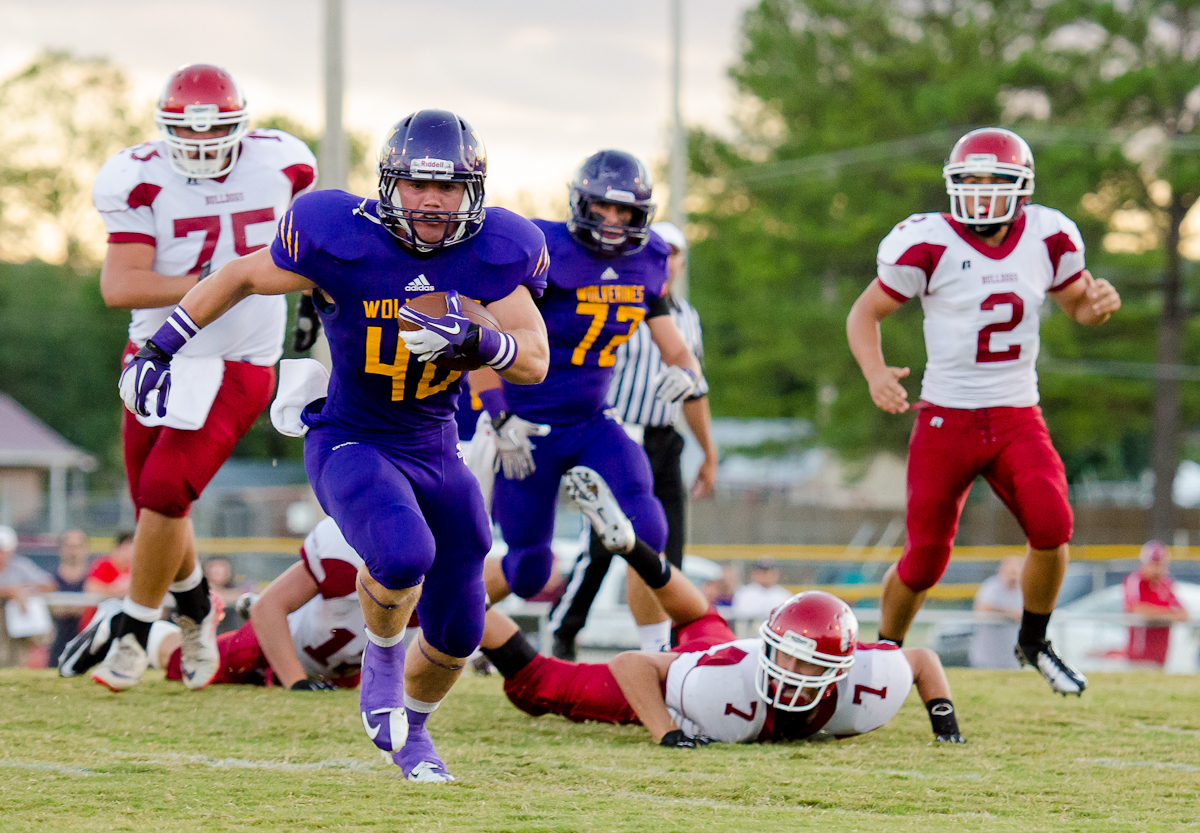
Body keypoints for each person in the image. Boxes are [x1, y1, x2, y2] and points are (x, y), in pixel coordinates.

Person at [117, 109, 550, 782]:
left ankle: (416, 737)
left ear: (475, 191)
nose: (431, 200)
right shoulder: (334, 235)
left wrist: (482, 342)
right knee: (404, 552)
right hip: (352, 434)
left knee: (463, 624)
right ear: (387, 185)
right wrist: (161, 345)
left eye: (448, 187)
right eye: (415, 184)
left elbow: (534, 359)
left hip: (435, 444)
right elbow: (237, 276)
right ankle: (380, 663)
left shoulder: (499, 248)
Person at [846, 127, 1122, 696]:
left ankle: (1034, 640)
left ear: (1020, 189)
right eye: (967, 180)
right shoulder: (927, 242)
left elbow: (1079, 307)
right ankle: (883, 656)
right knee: (923, 560)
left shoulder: (1048, 236)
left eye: (992, 180)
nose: (978, 192)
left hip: (1018, 411)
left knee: (1053, 526)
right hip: (947, 417)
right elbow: (864, 314)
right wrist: (875, 373)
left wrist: (1097, 308)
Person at [86, 64, 318, 694]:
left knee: (164, 493)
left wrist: (313, 304)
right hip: (158, 354)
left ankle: (134, 628)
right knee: (154, 504)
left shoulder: (283, 164)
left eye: (217, 131)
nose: (202, 145)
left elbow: (309, 253)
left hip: (242, 358)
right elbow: (120, 284)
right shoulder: (138, 176)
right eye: (187, 134)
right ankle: (195, 611)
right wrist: (223, 284)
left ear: (241, 125)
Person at [476, 150, 704, 658]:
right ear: (580, 203)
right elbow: (474, 335)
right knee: (528, 569)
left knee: (648, 531)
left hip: (590, 420)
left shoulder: (650, 259)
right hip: (524, 426)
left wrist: (687, 373)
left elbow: (676, 346)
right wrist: (497, 415)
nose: (612, 221)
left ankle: (655, 657)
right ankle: (415, 621)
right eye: (602, 208)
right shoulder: (540, 248)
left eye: (624, 211)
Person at [480, 565, 966, 746]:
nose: (791, 673)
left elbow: (920, 659)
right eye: (786, 657)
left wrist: (945, 723)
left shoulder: (871, 681)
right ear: (770, 643)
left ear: (843, 665)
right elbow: (631, 666)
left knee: (698, 620)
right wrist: (667, 730)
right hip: (701, 680)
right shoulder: (718, 687)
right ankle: (463, 603)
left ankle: (638, 549)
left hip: (719, 651)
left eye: (808, 663)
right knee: (538, 685)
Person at [549, 219, 719, 660]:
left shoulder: (686, 317)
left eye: (677, 254)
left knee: (668, 546)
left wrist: (708, 451)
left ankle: (669, 647)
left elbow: (695, 388)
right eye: (665, 252)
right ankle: (564, 631)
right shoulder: (618, 303)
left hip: (666, 439)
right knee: (604, 545)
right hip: (619, 433)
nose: (671, 262)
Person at [62, 517, 368, 691]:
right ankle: (122, 623)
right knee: (189, 663)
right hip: (275, 647)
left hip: (335, 666)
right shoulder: (342, 549)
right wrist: (297, 683)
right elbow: (270, 608)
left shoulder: (413, 578)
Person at [1123, 540, 1188, 666]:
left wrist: (1158, 614)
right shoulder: (1136, 580)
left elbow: (1184, 614)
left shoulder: (1165, 583)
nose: (1157, 568)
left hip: (1161, 656)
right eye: (1153, 563)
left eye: (1160, 564)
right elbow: (1137, 608)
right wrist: (1168, 615)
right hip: (1139, 656)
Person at [0, 525, 56, 667]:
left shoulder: (20, 566)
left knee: (18, 658)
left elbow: (49, 585)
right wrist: (10, 592)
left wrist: (23, 591)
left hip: (16, 627)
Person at [970, 555, 1024, 669]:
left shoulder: (1023, 589)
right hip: (988, 653)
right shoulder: (991, 586)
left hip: (1012, 653)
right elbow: (982, 608)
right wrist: (1010, 614)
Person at [49, 529, 91, 666]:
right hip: (58, 643)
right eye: (69, 546)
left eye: (77, 546)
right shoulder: (51, 579)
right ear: (61, 549)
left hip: (87, 642)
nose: (73, 551)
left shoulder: (93, 578)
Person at [78, 530, 134, 630]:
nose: (129, 555)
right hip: (96, 625)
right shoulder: (103, 565)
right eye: (127, 550)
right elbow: (92, 589)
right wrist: (118, 591)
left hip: (120, 626)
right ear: (117, 548)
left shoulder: (132, 571)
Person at [730, 558, 794, 621]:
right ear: (754, 573)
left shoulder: (784, 595)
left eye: (769, 571)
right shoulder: (743, 594)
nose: (766, 575)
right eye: (762, 572)